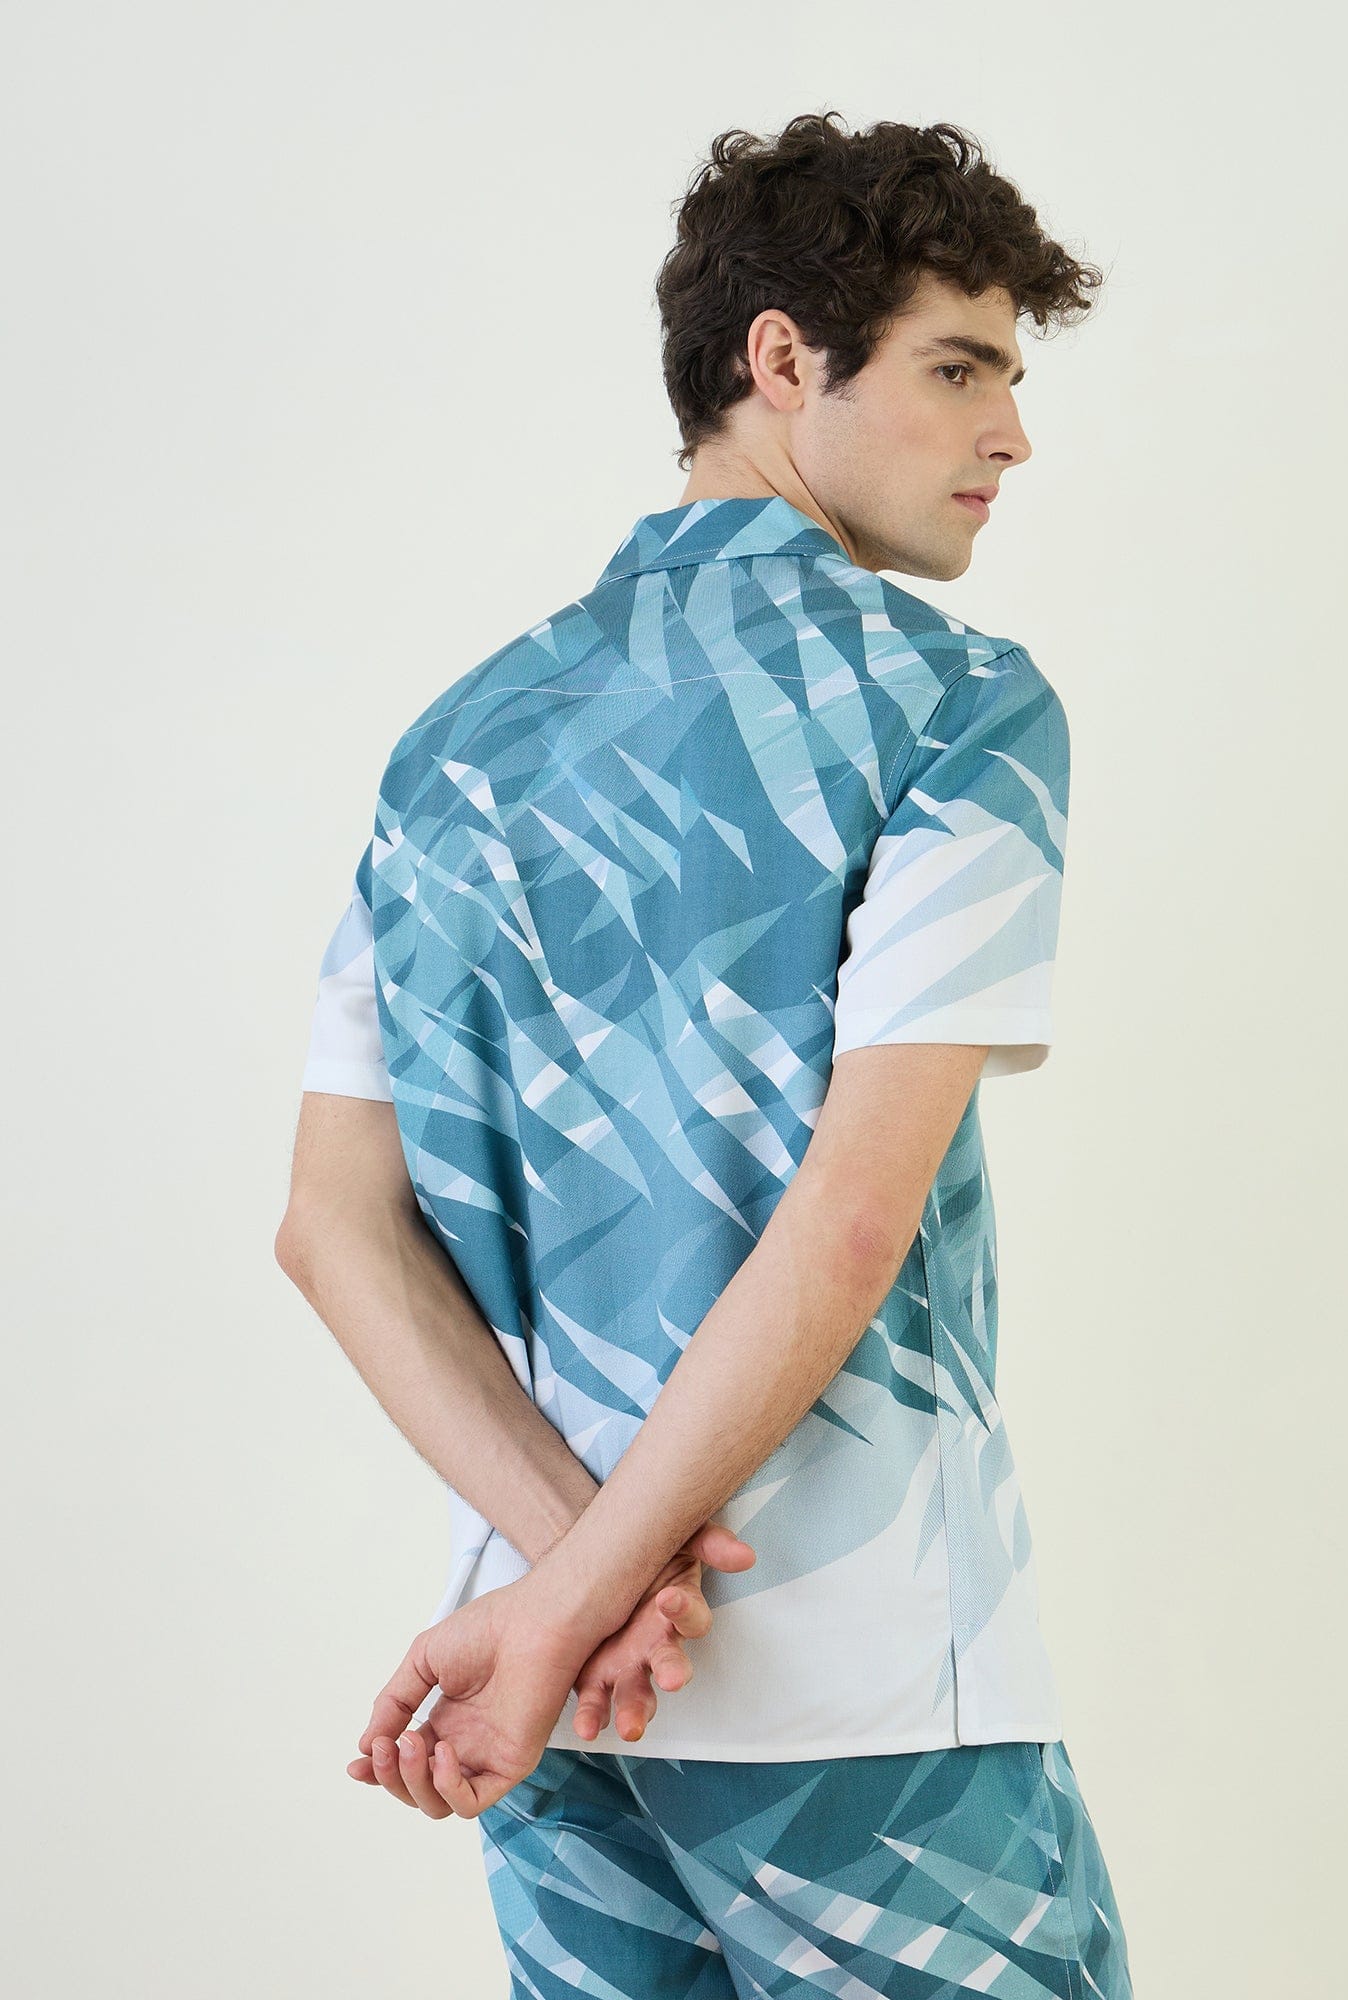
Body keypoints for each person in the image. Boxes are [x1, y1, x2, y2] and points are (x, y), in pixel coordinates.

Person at [276, 110, 1133, 1998]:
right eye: (960, 368)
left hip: (554, 1689)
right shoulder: (957, 706)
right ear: (780, 359)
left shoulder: (455, 746)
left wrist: (573, 1588)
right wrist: (612, 1596)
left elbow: (332, 1227)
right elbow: (850, 1221)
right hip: (861, 1682)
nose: (1012, 434)